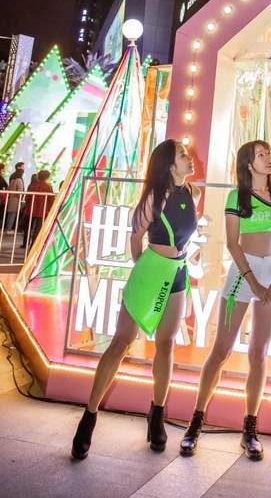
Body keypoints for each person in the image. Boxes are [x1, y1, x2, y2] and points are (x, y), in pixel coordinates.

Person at [71, 139, 198, 460]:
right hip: (150, 271)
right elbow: (135, 238)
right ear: (169, 164)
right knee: (121, 342)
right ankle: (89, 415)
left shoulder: (191, 192)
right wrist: (146, 268)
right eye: (183, 154)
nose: (189, 157)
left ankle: (157, 413)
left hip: (177, 274)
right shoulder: (154, 198)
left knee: (166, 344)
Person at [180, 140, 271, 459]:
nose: (268, 159)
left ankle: (250, 428)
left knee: (258, 354)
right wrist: (253, 281)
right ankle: (196, 421)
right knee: (220, 351)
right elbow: (232, 243)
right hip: (242, 275)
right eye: (260, 155)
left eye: (268, 154)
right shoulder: (236, 196)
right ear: (248, 164)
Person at [22, 170, 54, 251]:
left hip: (30, 210)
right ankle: (33, 246)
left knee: (28, 228)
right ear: (47, 177)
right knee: (38, 229)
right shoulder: (48, 187)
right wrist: (49, 210)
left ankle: (25, 243)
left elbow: (27, 198)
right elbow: (51, 200)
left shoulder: (32, 186)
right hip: (42, 211)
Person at [5, 162, 25, 232]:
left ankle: (7, 229)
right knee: (13, 215)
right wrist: (21, 198)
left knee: (9, 215)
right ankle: (9, 229)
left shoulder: (12, 179)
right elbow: (20, 191)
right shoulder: (19, 180)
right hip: (16, 200)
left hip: (10, 199)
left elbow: (8, 189)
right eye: (23, 167)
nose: (24, 168)